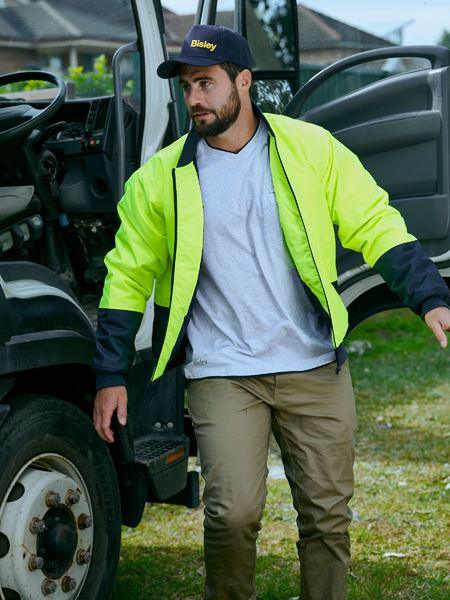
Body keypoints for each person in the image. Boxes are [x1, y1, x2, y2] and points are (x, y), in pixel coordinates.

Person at [92, 24, 450, 600]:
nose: (195, 99)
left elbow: (373, 221)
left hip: (313, 364)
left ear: (243, 81)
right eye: (187, 87)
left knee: (327, 516)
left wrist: (428, 295)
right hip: (223, 370)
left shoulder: (311, 149)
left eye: (206, 83)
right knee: (231, 515)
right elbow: (128, 274)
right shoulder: (160, 179)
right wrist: (110, 372)